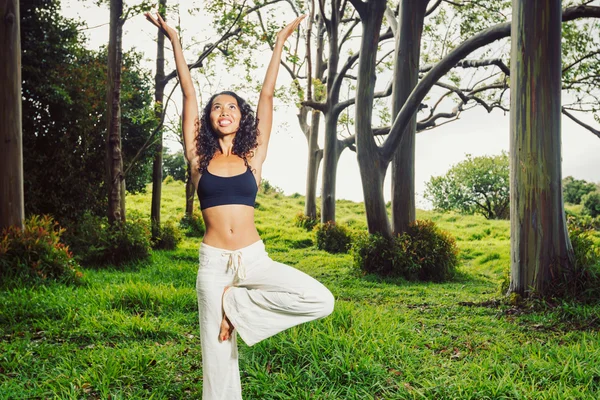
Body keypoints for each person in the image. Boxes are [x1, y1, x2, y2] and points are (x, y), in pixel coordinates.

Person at [145, 12, 335, 400]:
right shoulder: (198, 159)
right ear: (209, 119)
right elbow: (188, 94)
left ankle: (237, 307)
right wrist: (175, 40)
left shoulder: (254, 157)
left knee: (320, 299)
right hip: (214, 265)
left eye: (231, 107)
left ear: (241, 116)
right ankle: (228, 308)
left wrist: (281, 43)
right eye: (217, 108)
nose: (224, 111)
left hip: (255, 260)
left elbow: (267, 97)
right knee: (218, 364)